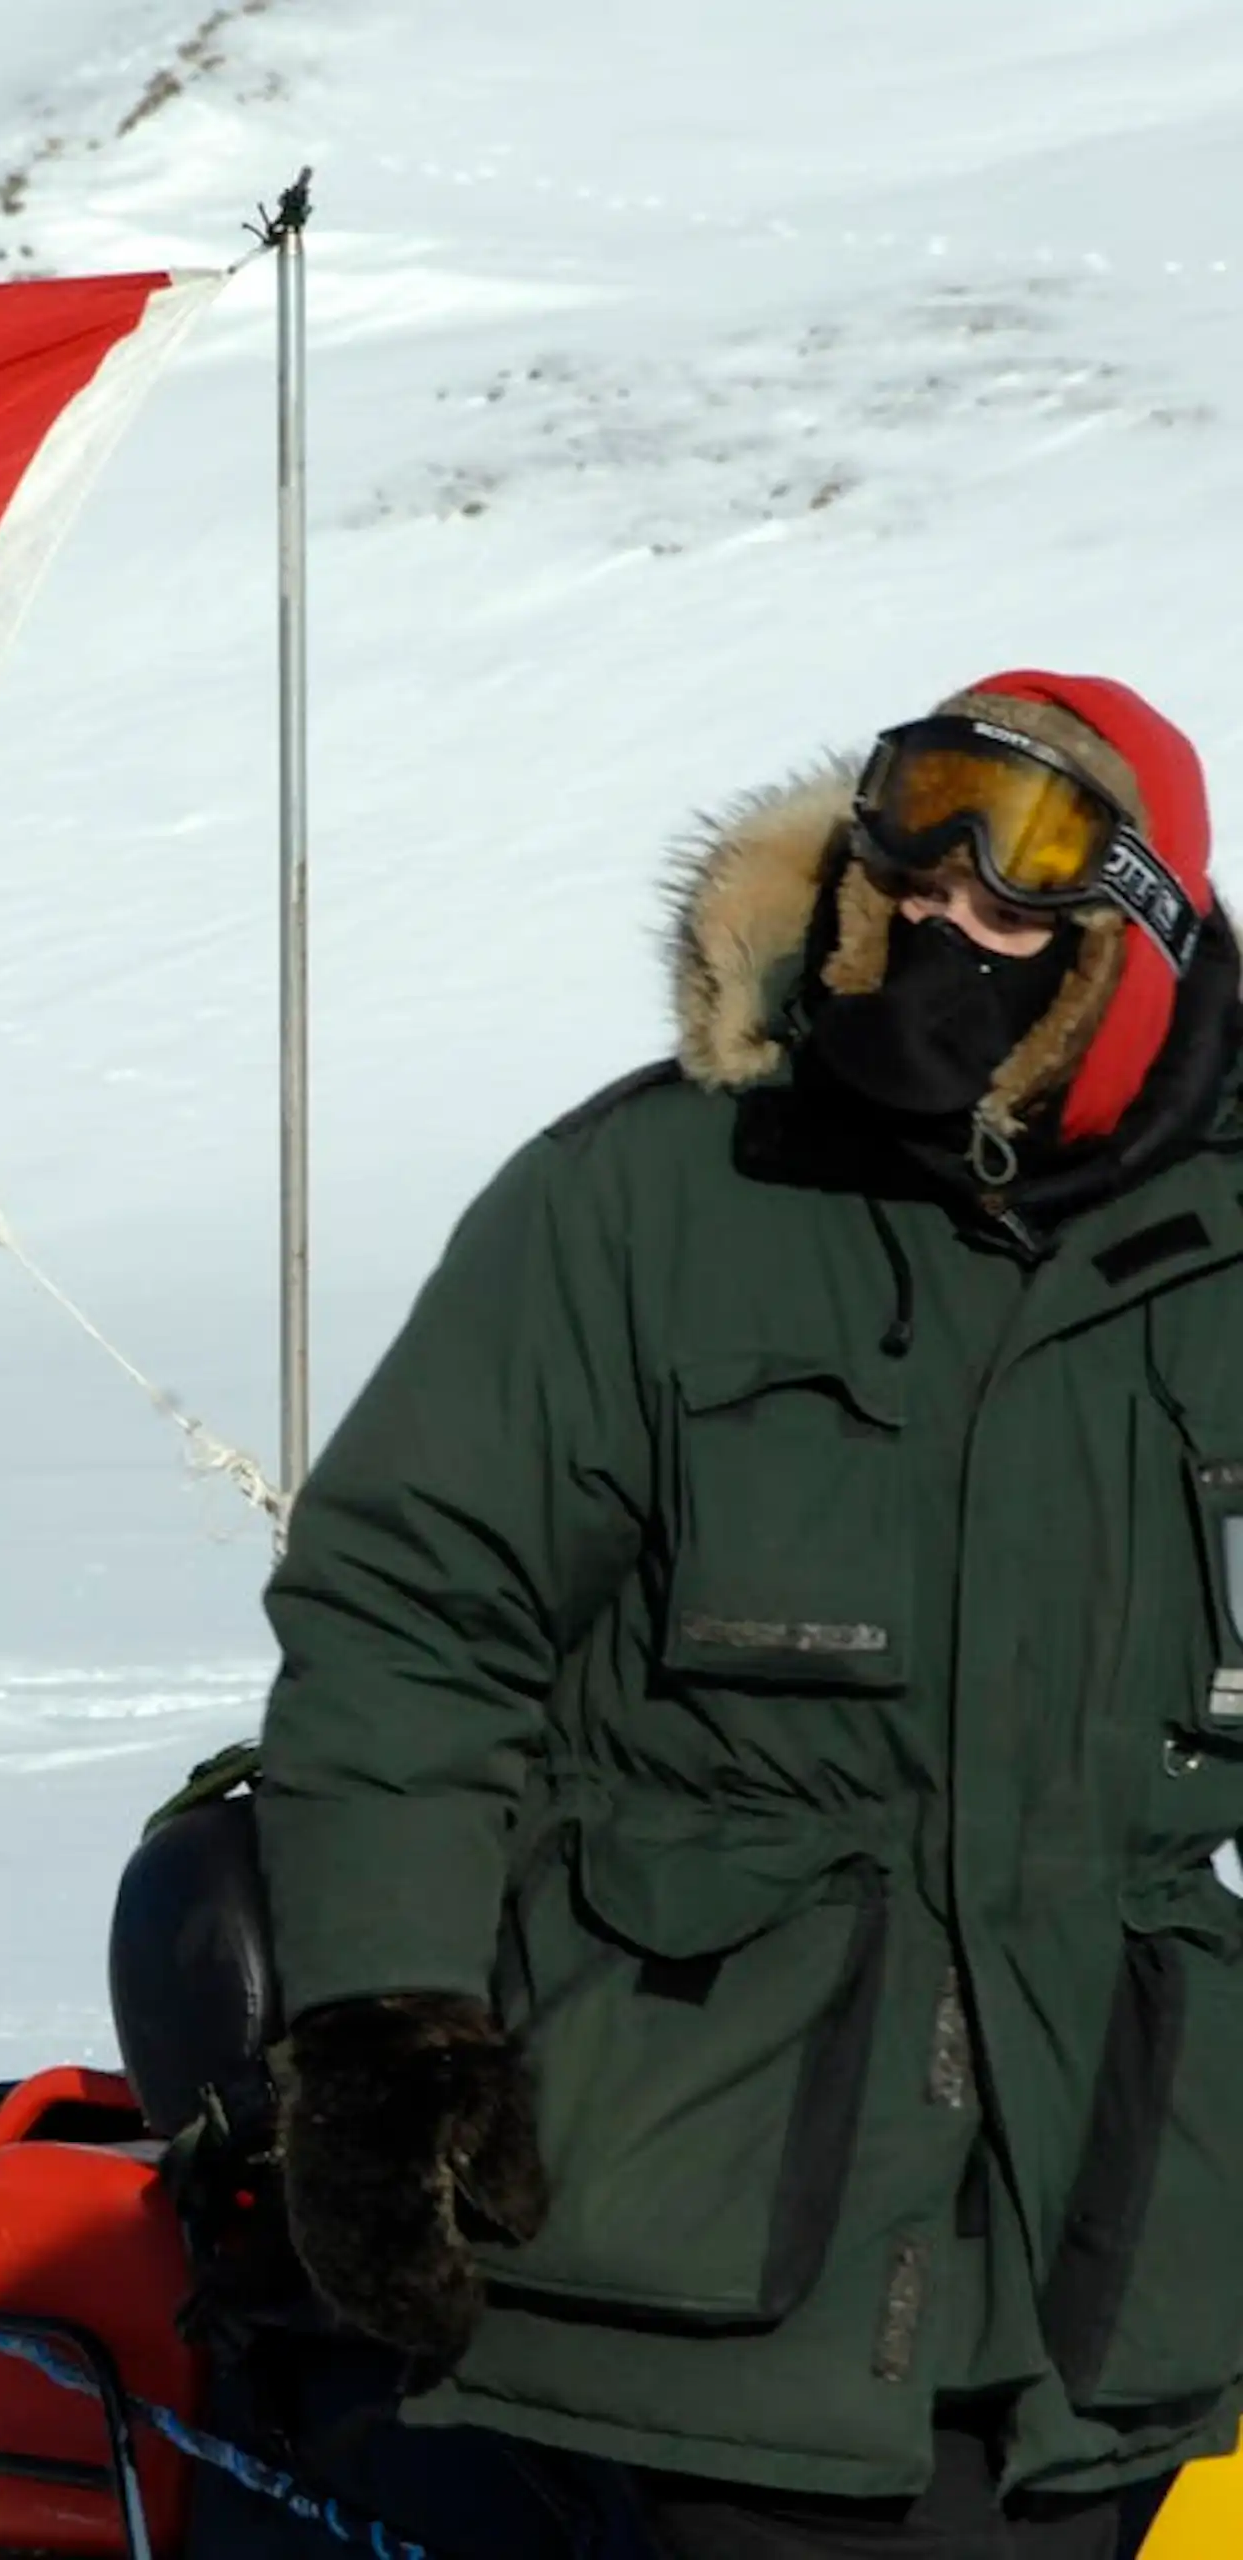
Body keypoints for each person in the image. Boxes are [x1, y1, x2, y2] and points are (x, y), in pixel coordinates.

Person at [251, 673, 1243, 2559]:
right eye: (912, 863)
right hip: (707, 2216)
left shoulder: (1227, 1245)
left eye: (1018, 889)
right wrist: (387, 2034)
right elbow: (410, 1615)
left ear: (1144, 930)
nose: (948, 918)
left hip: (1121, 2245)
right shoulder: (651, 1201)